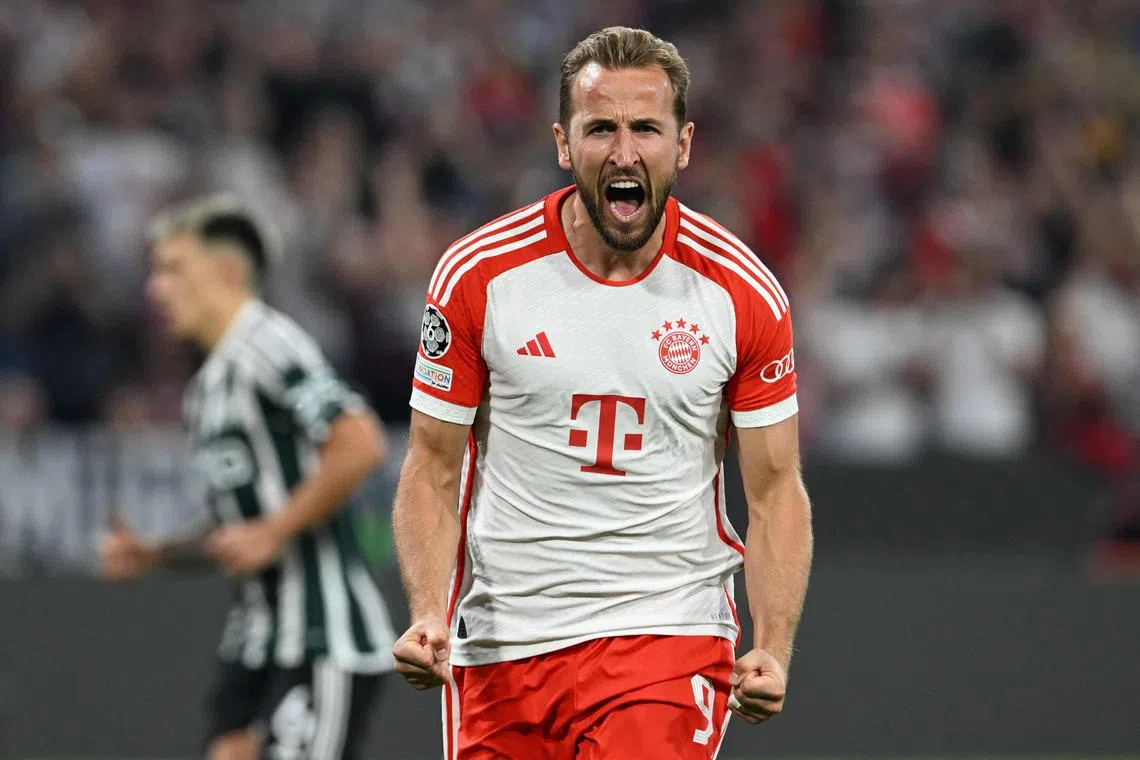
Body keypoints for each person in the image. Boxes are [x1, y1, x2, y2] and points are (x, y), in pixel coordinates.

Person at [391, 26, 814, 760]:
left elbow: (777, 490)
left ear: (682, 145)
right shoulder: (478, 277)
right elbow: (431, 465)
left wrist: (772, 647)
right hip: (501, 643)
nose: (624, 153)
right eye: (601, 129)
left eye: (646, 128)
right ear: (563, 144)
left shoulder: (741, 293)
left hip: (666, 635)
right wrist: (429, 612)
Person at [99, 195, 396, 760]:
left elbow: (359, 441)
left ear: (228, 272)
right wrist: (155, 554)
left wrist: (276, 529)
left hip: (323, 637)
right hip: (258, 638)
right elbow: (238, 524)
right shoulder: (207, 388)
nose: (155, 289)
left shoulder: (266, 344)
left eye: (174, 269)